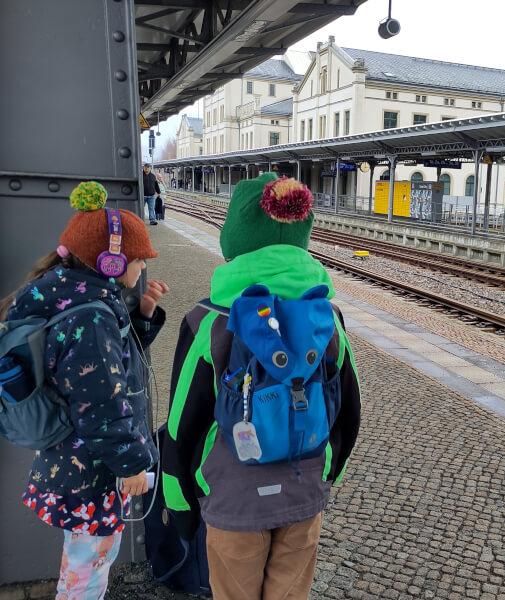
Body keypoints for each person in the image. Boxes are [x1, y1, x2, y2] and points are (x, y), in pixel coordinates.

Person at [161, 173, 361, 600]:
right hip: (304, 493)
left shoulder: (208, 321)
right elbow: (349, 411)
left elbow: (180, 426)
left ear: (235, 237)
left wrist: (181, 507)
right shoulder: (329, 319)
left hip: (232, 500)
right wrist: (324, 474)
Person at [0, 181, 169, 600]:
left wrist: (142, 315)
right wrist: (131, 465)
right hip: (93, 469)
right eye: (139, 259)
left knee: (83, 564)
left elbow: (108, 371)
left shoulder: (69, 296)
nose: (143, 266)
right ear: (110, 262)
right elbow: (102, 403)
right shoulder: (90, 318)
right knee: (86, 573)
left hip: (72, 462)